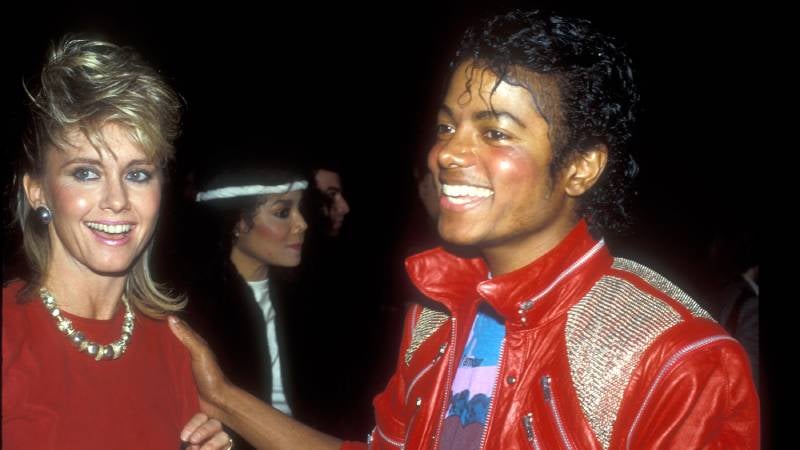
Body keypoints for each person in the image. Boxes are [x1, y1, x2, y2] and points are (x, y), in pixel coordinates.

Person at [169, 9, 759, 449]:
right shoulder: (437, 315)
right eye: (448, 127)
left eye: (495, 131)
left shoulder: (670, 357)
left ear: (580, 167)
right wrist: (221, 396)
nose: (448, 154)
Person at [2, 35, 231, 450]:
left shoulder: (175, 347)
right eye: (86, 172)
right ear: (38, 191)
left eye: (137, 174)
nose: (117, 200)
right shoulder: (8, 338)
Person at [182, 153, 309, 449]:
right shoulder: (194, 310)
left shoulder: (313, 302)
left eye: (300, 209)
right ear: (239, 221)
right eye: (282, 212)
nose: (301, 224)